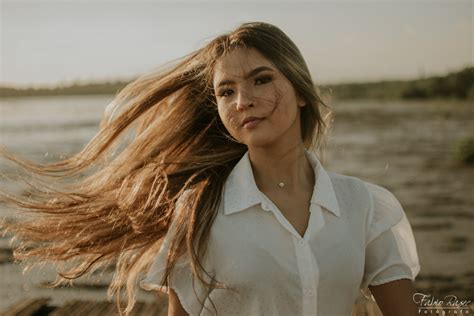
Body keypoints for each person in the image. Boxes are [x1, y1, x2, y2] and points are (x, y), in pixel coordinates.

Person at [0, 22, 420, 316]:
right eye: (226, 91)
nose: (242, 101)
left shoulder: (365, 206)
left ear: (301, 90)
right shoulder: (199, 211)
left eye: (261, 80)